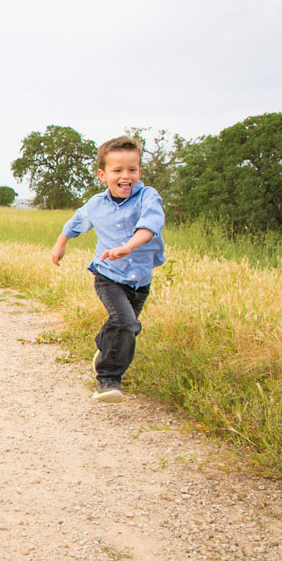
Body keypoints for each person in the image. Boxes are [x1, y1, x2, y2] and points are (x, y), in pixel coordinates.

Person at [50, 136, 166, 403]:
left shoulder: (148, 197)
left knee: (124, 326)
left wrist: (128, 246)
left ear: (139, 171)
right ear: (103, 175)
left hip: (140, 281)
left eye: (132, 170)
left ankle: (104, 344)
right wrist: (60, 244)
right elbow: (75, 223)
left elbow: (151, 224)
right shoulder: (96, 205)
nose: (126, 176)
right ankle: (108, 379)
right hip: (108, 276)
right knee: (126, 323)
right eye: (118, 170)